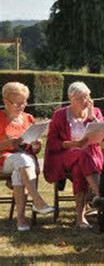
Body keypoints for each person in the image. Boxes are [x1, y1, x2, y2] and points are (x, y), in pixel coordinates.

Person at [44, 82, 104, 228]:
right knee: (81, 154)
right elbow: (52, 143)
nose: (84, 101)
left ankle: (80, 218)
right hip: (65, 155)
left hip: (89, 158)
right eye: (79, 98)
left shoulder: (95, 112)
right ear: (70, 99)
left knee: (79, 169)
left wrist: (93, 118)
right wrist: (73, 144)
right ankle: (101, 194)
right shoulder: (60, 115)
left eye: (86, 97)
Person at [0, 82, 54, 231]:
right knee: (22, 160)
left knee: (21, 167)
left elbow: (34, 148)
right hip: (3, 159)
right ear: (5, 101)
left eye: (24, 103)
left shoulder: (29, 118)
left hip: (25, 161)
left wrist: (37, 146)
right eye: (17, 103)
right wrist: (8, 143)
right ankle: (37, 199)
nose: (21, 107)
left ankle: (21, 220)